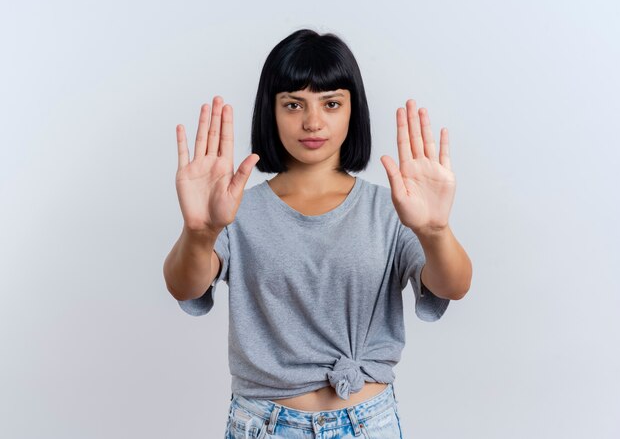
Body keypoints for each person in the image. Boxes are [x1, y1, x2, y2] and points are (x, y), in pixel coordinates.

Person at [163, 28, 472, 439]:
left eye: (331, 104)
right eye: (293, 104)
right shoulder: (235, 209)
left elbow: (453, 285)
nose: (312, 121)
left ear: (352, 110)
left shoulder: (393, 207)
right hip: (265, 424)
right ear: (270, 111)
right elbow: (184, 285)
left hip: (368, 422)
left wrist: (435, 231)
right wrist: (199, 232)